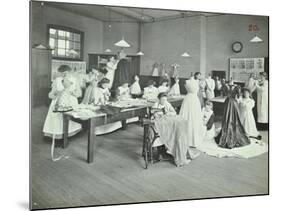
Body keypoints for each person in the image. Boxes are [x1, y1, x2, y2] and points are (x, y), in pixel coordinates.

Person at [149, 93, 199, 166]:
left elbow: (174, 112)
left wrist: (169, 113)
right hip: (159, 124)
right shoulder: (155, 105)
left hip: (168, 122)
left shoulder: (167, 104)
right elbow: (155, 116)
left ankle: (182, 153)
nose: (164, 101)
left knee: (180, 127)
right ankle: (176, 153)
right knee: (174, 130)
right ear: (158, 99)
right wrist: (160, 114)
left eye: (165, 100)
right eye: (162, 100)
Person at [43, 66, 82, 139]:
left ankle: (70, 132)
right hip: (59, 102)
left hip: (71, 102)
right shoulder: (57, 80)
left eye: (67, 73)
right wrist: (57, 94)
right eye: (62, 73)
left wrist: (74, 93)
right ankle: (58, 134)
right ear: (60, 73)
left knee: (71, 117)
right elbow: (51, 94)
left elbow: (79, 93)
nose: (65, 75)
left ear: (70, 72)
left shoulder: (75, 80)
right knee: (57, 116)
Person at [179, 78, 204, 148]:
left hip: (191, 100)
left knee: (194, 118)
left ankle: (193, 140)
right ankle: (188, 140)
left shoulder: (196, 81)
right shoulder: (188, 81)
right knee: (187, 117)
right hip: (192, 100)